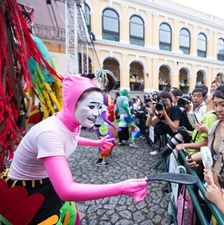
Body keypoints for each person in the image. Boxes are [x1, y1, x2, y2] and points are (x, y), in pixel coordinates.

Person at [0, 74, 147, 224]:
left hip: (48, 182)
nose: (96, 113)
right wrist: (120, 188)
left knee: (71, 216)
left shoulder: (71, 123)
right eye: (91, 106)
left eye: (98, 107)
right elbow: (66, 191)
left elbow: (71, 138)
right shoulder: (49, 133)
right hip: (26, 194)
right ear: (72, 103)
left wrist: (95, 143)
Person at [185, 83, 224, 190]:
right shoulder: (216, 125)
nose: (218, 109)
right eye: (216, 105)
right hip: (214, 178)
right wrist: (192, 158)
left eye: (223, 105)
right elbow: (210, 151)